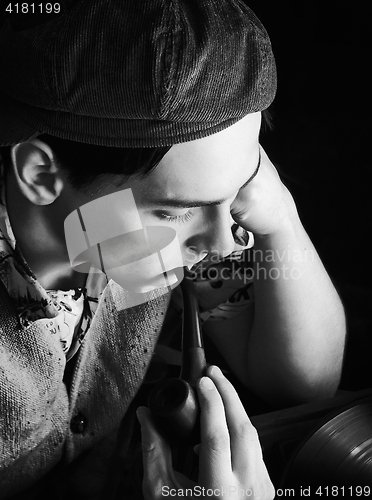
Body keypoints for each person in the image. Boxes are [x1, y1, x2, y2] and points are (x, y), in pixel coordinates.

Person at [0, 1, 346, 498]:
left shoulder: (143, 238)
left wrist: (280, 221)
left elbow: (302, 384)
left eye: (239, 189)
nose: (226, 242)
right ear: (40, 174)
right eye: (176, 210)